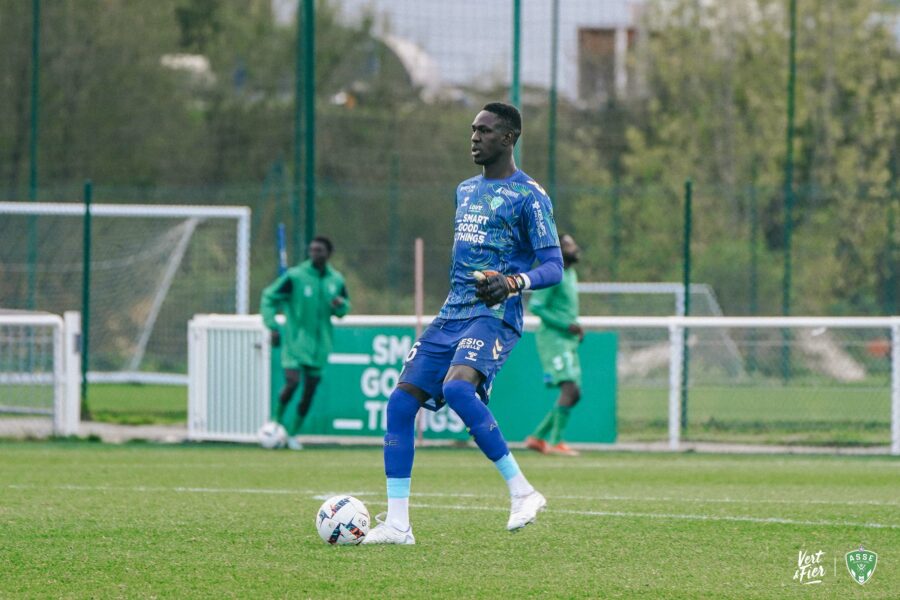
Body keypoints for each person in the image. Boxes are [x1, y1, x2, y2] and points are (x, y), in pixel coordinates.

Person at [363, 102, 564, 545]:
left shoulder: (529, 195)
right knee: (399, 405)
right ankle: (398, 525)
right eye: (473, 130)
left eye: (485, 131)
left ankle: (523, 491)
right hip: (452, 311)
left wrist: (513, 282)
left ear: (509, 138)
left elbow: (554, 267)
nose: (474, 138)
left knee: (457, 388)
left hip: (495, 314)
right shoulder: (464, 189)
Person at [260, 235, 350, 450]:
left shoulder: (336, 280)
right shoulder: (295, 276)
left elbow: (343, 310)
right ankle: (274, 422)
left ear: (328, 253)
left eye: (319, 250)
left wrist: (340, 305)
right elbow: (268, 297)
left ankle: (291, 434)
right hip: (295, 343)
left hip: (320, 347)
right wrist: (272, 325)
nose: (315, 254)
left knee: (309, 391)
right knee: (292, 382)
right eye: (312, 250)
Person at [525, 234, 584, 457]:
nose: (574, 248)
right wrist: (565, 325)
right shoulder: (553, 275)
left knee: (575, 393)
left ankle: (538, 437)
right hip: (553, 339)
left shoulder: (571, 274)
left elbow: (566, 309)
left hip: (567, 339)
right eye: (569, 245)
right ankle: (555, 442)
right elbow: (537, 306)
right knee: (570, 389)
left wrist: (575, 327)